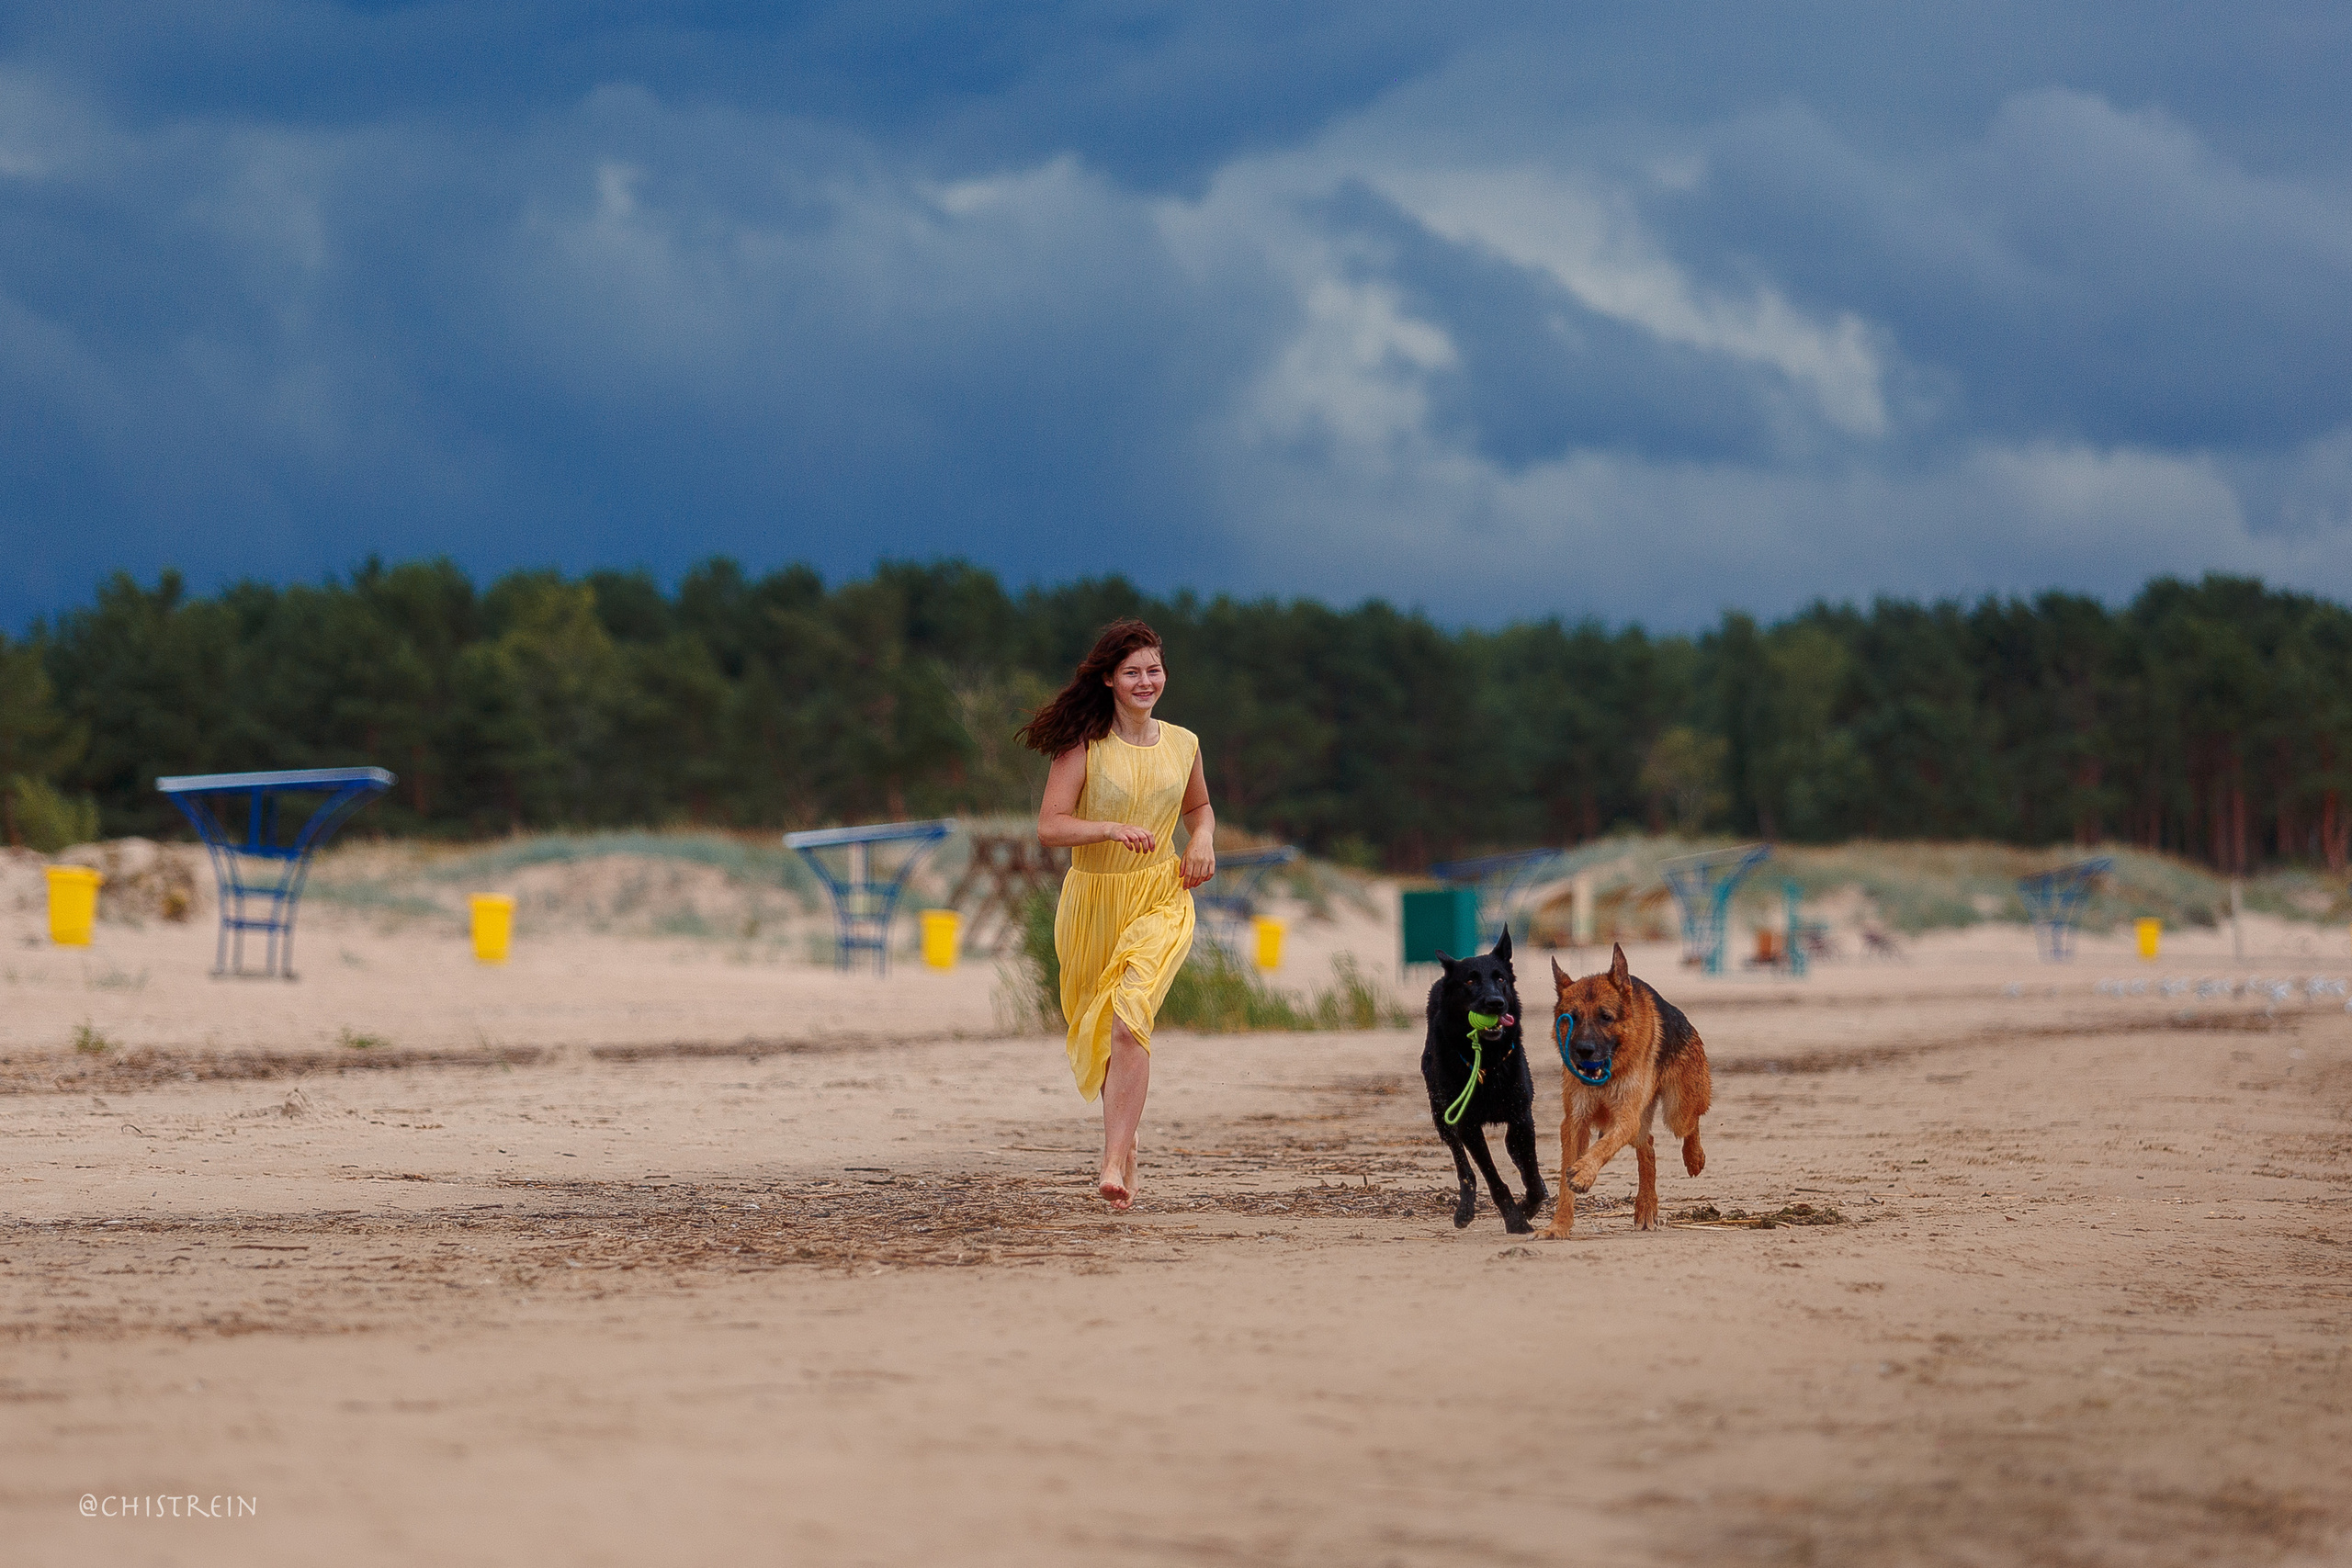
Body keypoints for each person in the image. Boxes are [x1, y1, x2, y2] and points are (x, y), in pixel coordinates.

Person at [1017, 619, 1215, 1209]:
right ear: (1109, 679)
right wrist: (1106, 828)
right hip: (1092, 901)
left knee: (1130, 1017)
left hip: (1159, 895)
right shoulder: (1084, 743)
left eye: (1153, 670)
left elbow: (1199, 809)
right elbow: (1050, 826)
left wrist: (1202, 841)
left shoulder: (1184, 743)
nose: (1145, 681)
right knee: (1102, 1032)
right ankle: (1125, 1145)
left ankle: (1110, 1163)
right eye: (1132, 672)